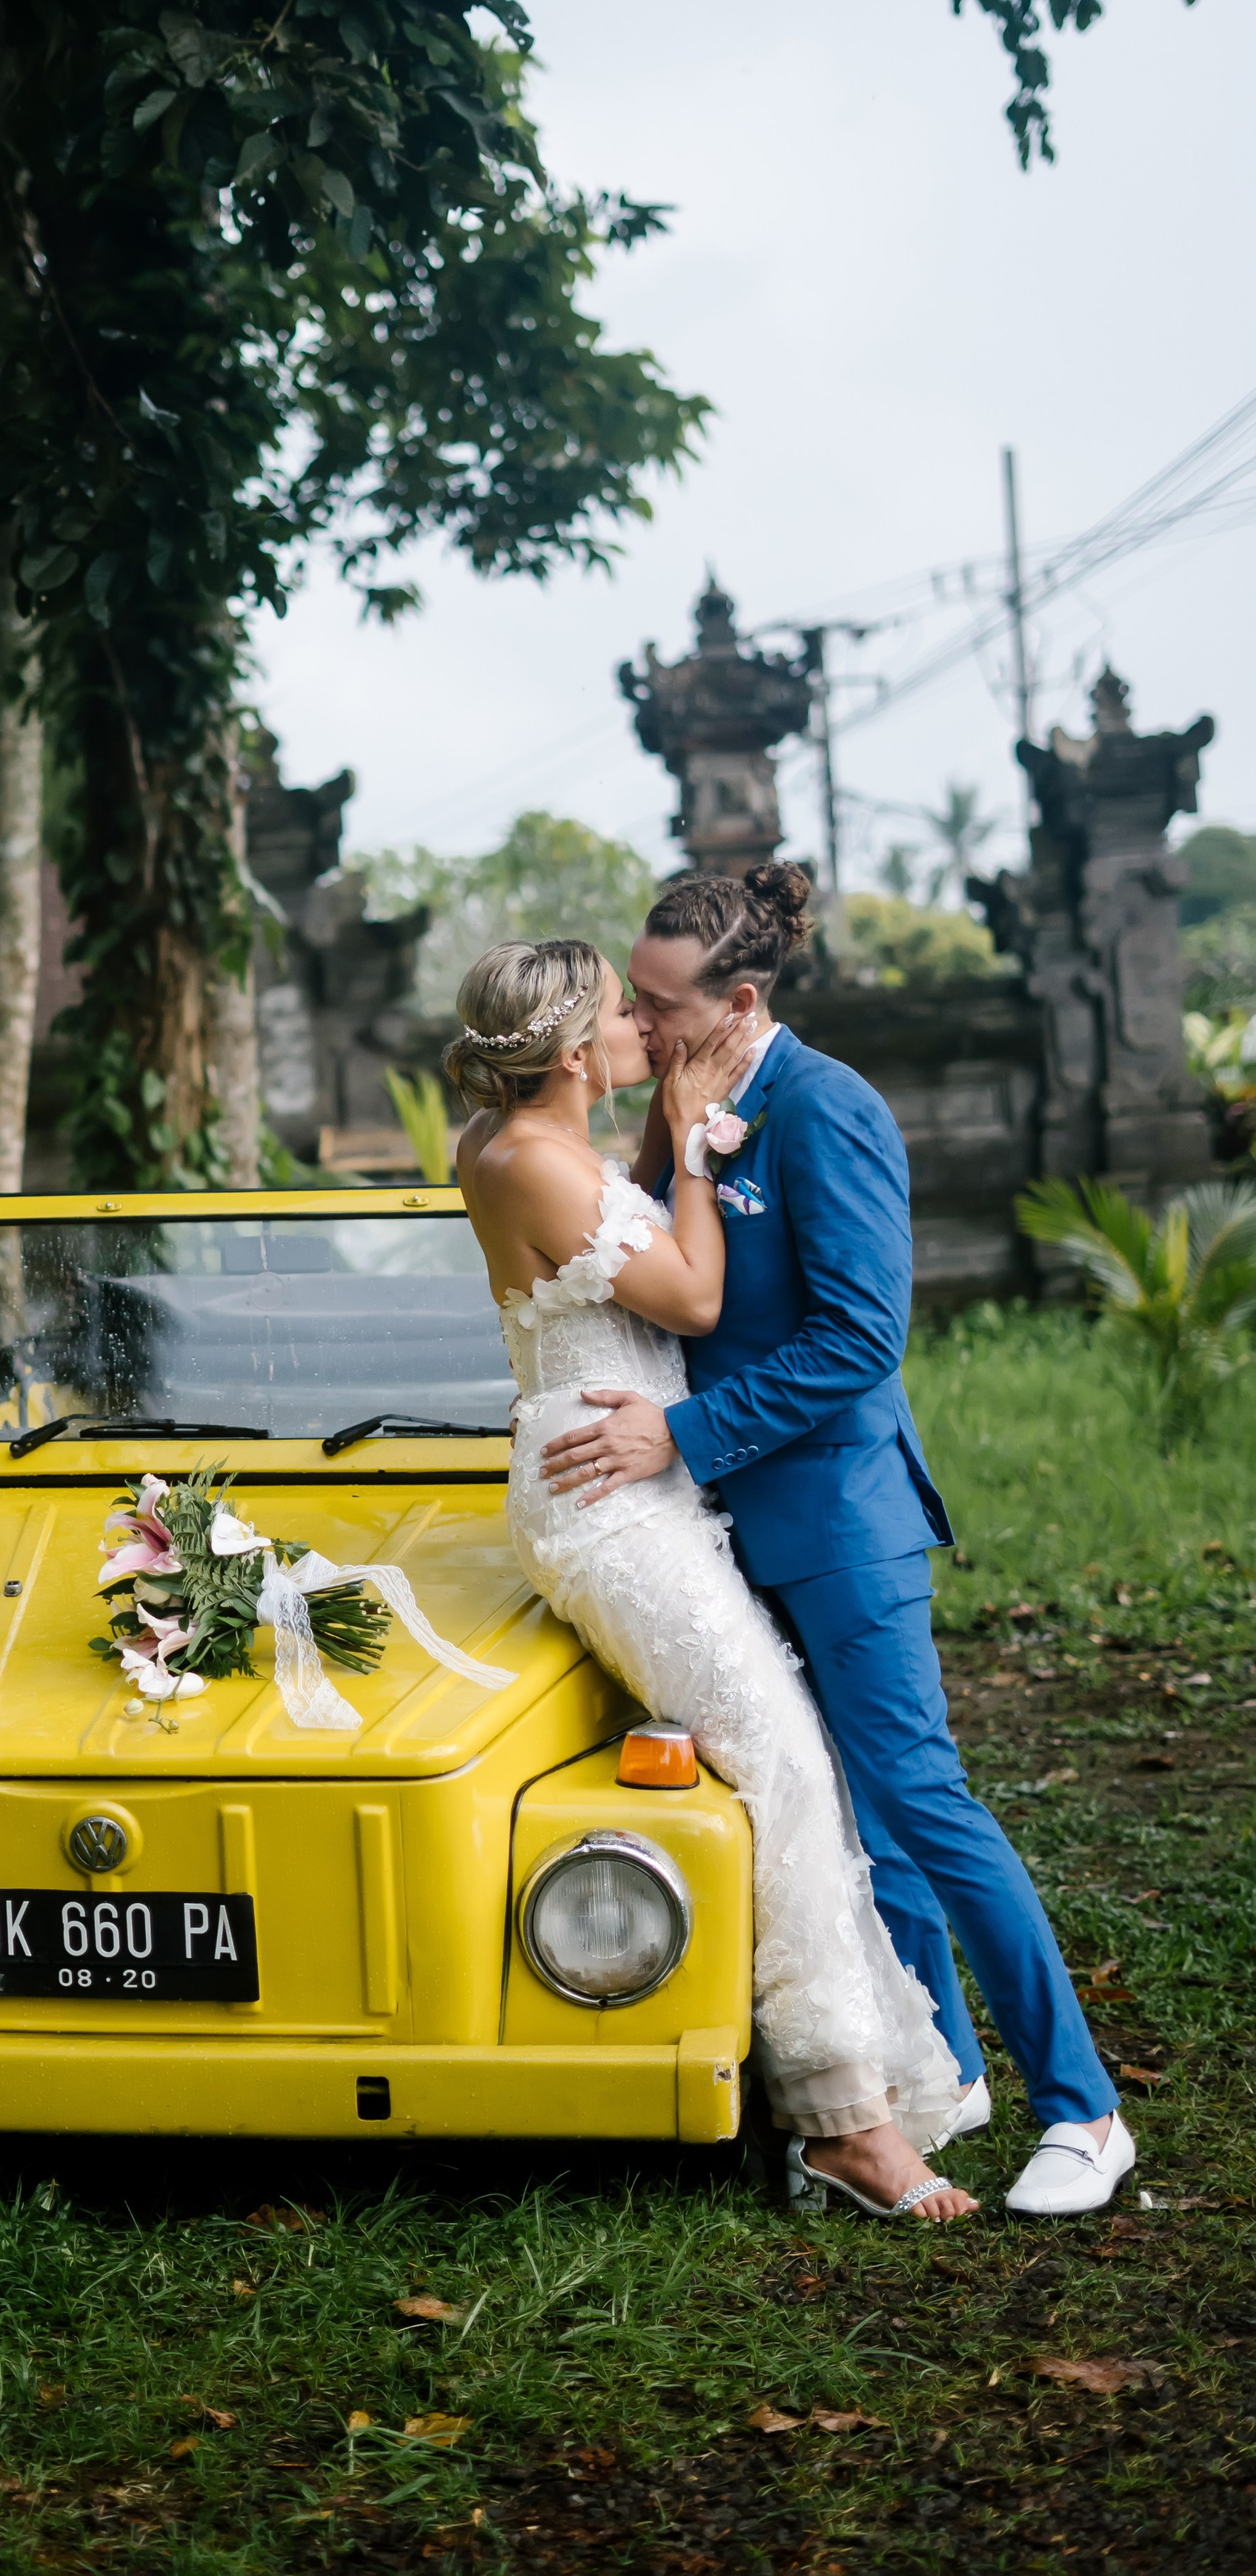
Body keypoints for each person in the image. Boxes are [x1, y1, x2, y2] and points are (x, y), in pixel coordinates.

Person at [528, 866, 1132, 2220]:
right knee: (857, 1818)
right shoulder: (692, 1108)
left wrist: (680, 1438)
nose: (640, 1020)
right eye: (634, 996)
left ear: (742, 999)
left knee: (924, 1801)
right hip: (722, 1523)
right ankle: (950, 2073)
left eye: (662, 1004)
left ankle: (1085, 2110)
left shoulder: (830, 1108)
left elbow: (860, 1340)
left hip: (840, 1520)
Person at [453, 929, 974, 2223]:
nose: (647, 1023)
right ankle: (843, 2120)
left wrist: (657, 1143)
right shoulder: (527, 1159)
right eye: (622, 1016)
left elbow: (619, 1223)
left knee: (792, 1762)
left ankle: (854, 2086)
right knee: (788, 1767)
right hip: (609, 1501)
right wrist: (690, 1142)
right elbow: (687, 1296)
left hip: (640, 1483)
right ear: (579, 1055)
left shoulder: (538, 1145)